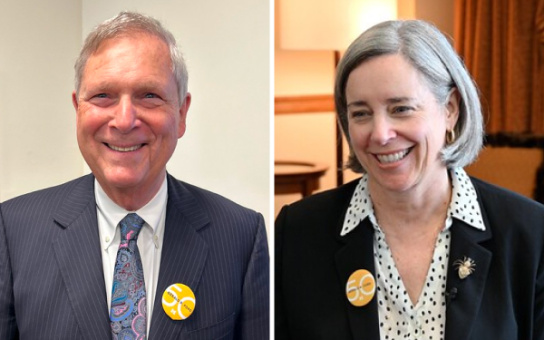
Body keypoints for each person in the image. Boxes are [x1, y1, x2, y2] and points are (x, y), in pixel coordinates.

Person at [0, 11, 268, 340]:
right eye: (102, 96)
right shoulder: (13, 232)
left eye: (149, 96)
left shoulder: (241, 236)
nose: (124, 120)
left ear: (181, 113)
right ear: (77, 109)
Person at [275, 19, 544, 340]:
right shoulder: (298, 232)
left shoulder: (531, 232)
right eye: (361, 113)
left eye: (401, 109)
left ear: (451, 110)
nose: (380, 133)